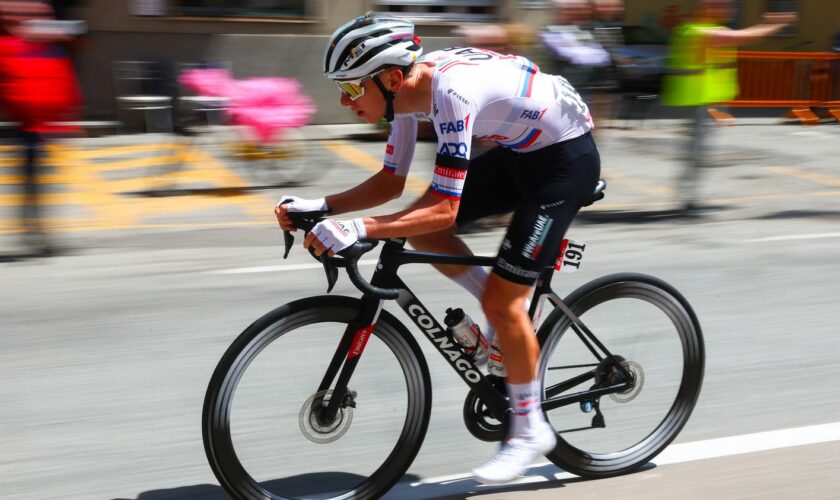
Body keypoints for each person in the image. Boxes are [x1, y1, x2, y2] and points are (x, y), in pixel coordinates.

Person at [275, 13, 600, 483]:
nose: (346, 103)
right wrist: (322, 206)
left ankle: (531, 431)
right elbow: (392, 183)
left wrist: (359, 229)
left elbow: (444, 210)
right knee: (420, 231)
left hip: (564, 163)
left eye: (349, 90)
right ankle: (503, 313)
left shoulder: (450, 92)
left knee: (496, 293)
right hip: (520, 152)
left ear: (388, 78)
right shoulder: (406, 94)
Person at [661, 0, 796, 212]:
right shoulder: (695, 31)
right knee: (696, 153)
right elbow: (744, 37)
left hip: (705, 101)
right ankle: (687, 199)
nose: (730, 9)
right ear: (707, 8)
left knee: (698, 152)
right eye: (723, 5)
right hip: (695, 101)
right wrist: (774, 25)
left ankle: (689, 196)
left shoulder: (710, 29)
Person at [0, 0, 81, 254]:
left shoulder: (42, 48)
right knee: (33, 181)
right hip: (30, 126)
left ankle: (36, 231)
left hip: (37, 126)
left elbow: (58, 81)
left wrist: (64, 114)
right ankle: (36, 232)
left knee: (34, 182)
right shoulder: (16, 47)